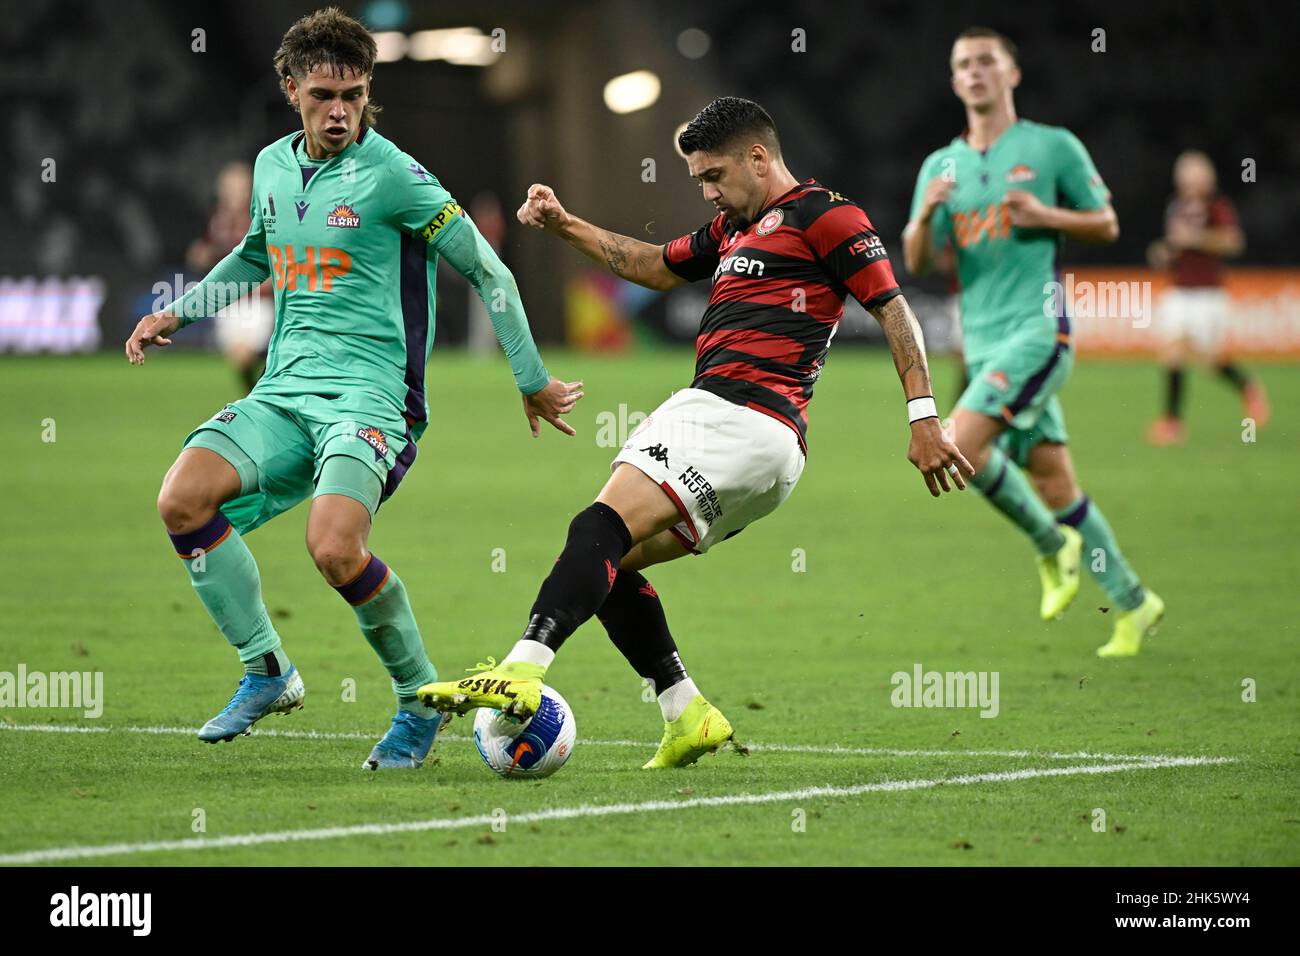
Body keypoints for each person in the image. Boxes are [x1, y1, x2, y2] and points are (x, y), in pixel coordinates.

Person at [417, 96, 972, 768]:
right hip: (757, 447)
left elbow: (894, 309)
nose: (707, 192)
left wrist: (924, 417)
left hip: (740, 414)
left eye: (714, 176)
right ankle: (686, 713)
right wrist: (564, 225)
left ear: (759, 158)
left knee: (595, 527)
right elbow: (652, 265)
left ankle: (519, 669)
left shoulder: (828, 216)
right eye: (698, 181)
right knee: (608, 567)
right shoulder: (733, 229)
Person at [123, 7, 581, 769]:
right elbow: (255, 256)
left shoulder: (395, 176)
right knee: (181, 499)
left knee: (334, 548)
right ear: (292, 88)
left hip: (371, 398)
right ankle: (267, 669)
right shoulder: (272, 165)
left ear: (368, 94)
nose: (339, 112)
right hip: (285, 390)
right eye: (323, 96)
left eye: (355, 95)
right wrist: (178, 310)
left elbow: (488, 271)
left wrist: (530, 380)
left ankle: (415, 700)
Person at [901, 27, 1163, 658]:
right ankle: (1133, 602)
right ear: (954, 80)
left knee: (957, 442)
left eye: (987, 61)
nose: (975, 72)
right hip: (982, 342)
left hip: (1039, 329)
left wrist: (1047, 216)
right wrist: (926, 213)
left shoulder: (1051, 147)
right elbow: (917, 260)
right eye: (963, 64)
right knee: (1053, 483)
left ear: (1012, 74)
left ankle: (1051, 547)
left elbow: (1106, 222)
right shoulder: (941, 166)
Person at [1145, 150, 1269, 444]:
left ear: (1206, 176)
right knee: (1171, 351)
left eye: (1194, 173)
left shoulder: (1216, 206)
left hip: (1208, 292)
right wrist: (1163, 253)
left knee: (1209, 359)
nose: (1188, 179)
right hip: (1179, 290)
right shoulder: (1175, 206)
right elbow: (1177, 247)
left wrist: (1196, 239)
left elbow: (1234, 241)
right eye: (1184, 173)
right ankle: (1172, 422)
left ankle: (1247, 386)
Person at [185, 161, 274, 393]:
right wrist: (201, 254)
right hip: (229, 302)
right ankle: (257, 397)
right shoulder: (217, 221)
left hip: (259, 302)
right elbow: (208, 252)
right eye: (228, 187)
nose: (233, 193)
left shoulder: (261, 214)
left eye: (239, 187)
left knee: (247, 355)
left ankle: (260, 396)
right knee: (239, 359)